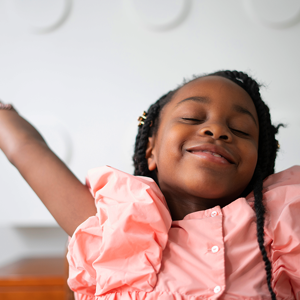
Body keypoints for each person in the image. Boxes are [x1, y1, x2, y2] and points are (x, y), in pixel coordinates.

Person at [0, 70, 299, 300]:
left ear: (259, 162)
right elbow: (26, 150)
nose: (217, 130)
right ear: (150, 149)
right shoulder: (116, 226)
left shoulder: (280, 231)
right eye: (192, 117)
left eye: (240, 130)